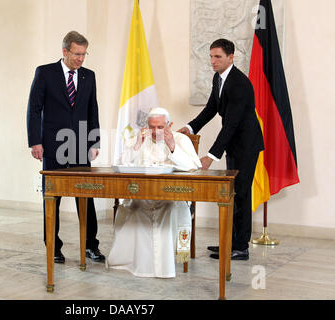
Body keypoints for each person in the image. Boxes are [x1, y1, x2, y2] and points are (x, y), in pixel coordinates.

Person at [178, 39, 264, 260]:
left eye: (218, 57)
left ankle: (240, 247)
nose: (213, 61)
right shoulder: (219, 78)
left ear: (231, 57)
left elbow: (231, 125)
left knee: (242, 194)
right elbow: (211, 109)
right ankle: (230, 242)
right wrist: (189, 127)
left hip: (246, 145)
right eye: (211, 56)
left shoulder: (240, 84)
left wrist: (211, 156)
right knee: (232, 193)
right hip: (234, 144)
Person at [27, 31, 104, 264]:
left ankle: (91, 245)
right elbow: (34, 109)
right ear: (65, 52)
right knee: (53, 197)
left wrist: (94, 141)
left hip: (80, 142)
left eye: (84, 54)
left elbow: (93, 110)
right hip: (52, 143)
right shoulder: (45, 73)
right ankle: (53, 246)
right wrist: (35, 141)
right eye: (76, 54)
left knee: (86, 196)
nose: (81, 59)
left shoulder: (89, 76)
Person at [107, 108, 202, 278]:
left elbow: (194, 167)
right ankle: (136, 264)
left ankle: (164, 267)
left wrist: (173, 147)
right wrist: (137, 145)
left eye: (160, 127)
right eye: (152, 127)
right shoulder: (142, 139)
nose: (155, 132)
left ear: (170, 125)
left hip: (172, 197)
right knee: (133, 208)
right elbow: (122, 165)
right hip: (143, 197)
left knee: (168, 209)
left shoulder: (181, 139)